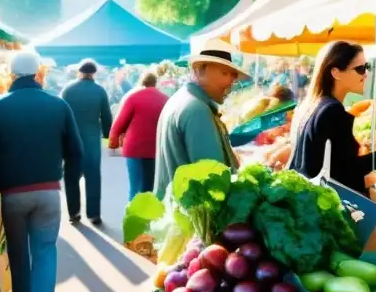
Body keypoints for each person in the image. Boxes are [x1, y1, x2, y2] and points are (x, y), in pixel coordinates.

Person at [0, 52, 82, 292]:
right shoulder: (58, 105)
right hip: (48, 192)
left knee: (17, 249)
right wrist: (67, 182)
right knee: (45, 251)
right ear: (39, 74)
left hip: (12, 194)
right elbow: (76, 152)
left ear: (11, 75)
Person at [154, 45, 248, 199]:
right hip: (192, 217)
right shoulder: (197, 109)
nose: (231, 81)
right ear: (198, 70)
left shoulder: (181, 99)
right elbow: (214, 179)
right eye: (224, 73)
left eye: (233, 76)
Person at [288, 41, 376, 194]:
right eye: (360, 68)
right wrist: (369, 180)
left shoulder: (311, 104)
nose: (366, 74)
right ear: (336, 73)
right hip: (323, 205)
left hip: (305, 198)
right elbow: (339, 177)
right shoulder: (332, 110)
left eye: (367, 67)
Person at [60, 59, 113, 226]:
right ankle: (94, 214)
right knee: (93, 177)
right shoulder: (100, 91)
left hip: (71, 139)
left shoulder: (68, 90)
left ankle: (74, 213)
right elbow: (106, 115)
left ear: (79, 72)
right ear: (94, 73)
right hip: (91, 140)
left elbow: (61, 115)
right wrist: (107, 135)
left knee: (71, 176)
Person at [109, 70, 168, 200]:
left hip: (134, 149)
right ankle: (151, 218)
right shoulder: (165, 99)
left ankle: (134, 217)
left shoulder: (133, 98)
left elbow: (120, 122)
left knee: (135, 188)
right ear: (155, 83)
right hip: (157, 149)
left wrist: (113, 143)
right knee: (152, 187)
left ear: (142, 82)